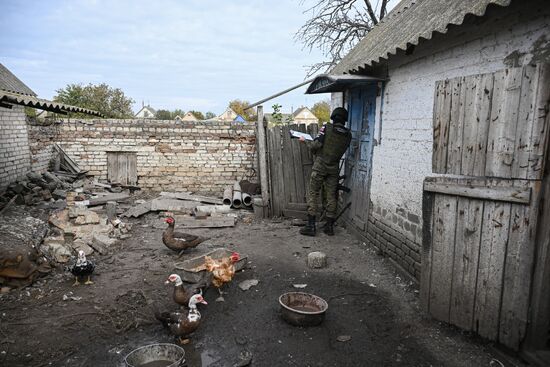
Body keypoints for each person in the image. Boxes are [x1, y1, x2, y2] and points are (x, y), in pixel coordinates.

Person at [299, 107, 352, 236]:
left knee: (313, 193)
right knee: (331, 196)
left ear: (333, 117)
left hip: (320, 166)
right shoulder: (348, 135)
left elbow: (315, 146)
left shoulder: (326, 128)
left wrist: (305, 141)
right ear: (345, 119)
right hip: (333, 169)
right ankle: (329, 227)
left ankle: (311, 226)